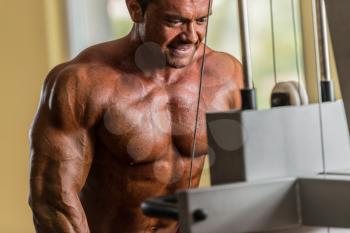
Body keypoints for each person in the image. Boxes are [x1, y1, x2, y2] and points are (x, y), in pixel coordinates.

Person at [28, 0, 243, 232]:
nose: (191, 36)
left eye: (201, 20)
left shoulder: (226, 78)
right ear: (135, 9)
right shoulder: (83, 82)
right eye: (175, 21)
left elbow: (247, 183)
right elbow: (52, 201)